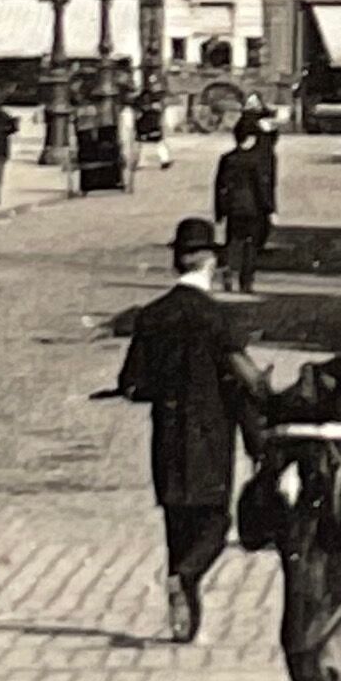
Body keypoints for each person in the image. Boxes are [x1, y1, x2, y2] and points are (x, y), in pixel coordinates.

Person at [112, 214, 258, 640]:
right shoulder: (220, 319)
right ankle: (188, 578)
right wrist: (256, 438)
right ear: (210, 263)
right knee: (215, 522)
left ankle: (184, 622)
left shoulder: (153, 315)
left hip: (169, 434)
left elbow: (132, 384)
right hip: (211, 435)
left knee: (177, 525)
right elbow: (240, 386)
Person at [214, 103, 278, 297]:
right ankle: (246, 282)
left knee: (232, 242)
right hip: (254, 208)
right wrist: (270, 208)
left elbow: (219, 186)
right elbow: (263, 185)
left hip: (232, 208)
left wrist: (219, 211)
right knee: (251, 245)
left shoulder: (228, 158)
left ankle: (226, 272)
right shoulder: (259, 160)